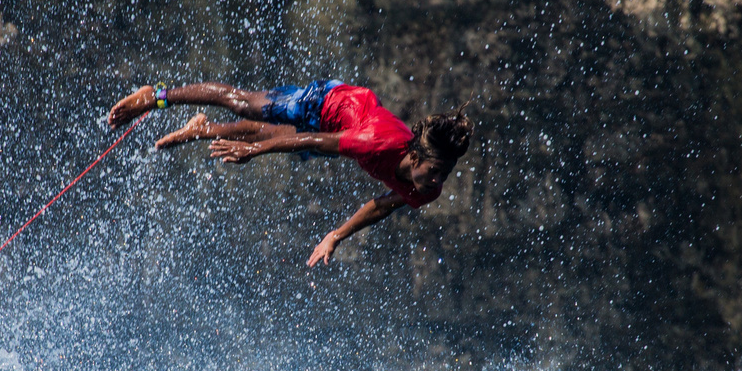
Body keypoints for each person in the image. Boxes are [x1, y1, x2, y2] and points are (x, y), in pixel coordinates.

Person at [107, 80, 473, 266]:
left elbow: (381, 206)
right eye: (436, 171)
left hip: (342, 123)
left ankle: (202, 129)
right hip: (328, 100)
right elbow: (310, 140)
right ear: (416, 153)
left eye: (445, 175)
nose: (438, 182)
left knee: (269, 135)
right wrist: (253, 153)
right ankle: (156, 96)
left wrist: (336, 236)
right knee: (245, 104)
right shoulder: (373, 143)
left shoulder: (426, 189)